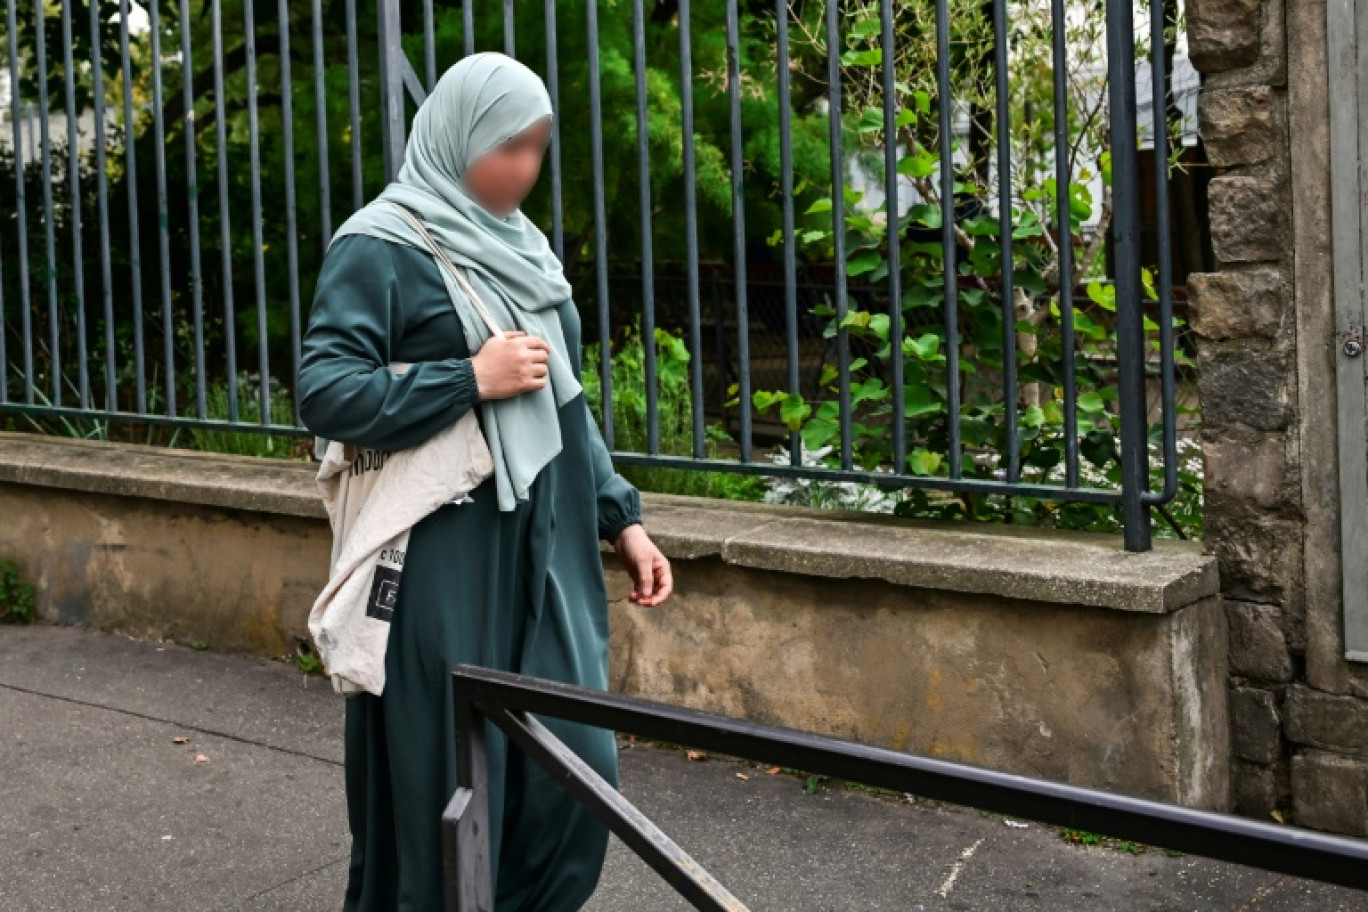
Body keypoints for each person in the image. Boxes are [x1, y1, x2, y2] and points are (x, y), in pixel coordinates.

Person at [296, 51, 674, 912]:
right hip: (445, 552)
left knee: (578, 766)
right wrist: (469, 377)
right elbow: (326, 392)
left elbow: (567, 402)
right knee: (445, 773)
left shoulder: (525, 250)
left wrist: (623, 519)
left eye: (537, 148)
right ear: (456, 135)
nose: (523, 169)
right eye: (506, 146)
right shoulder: (380, 244)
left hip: (548, 547)